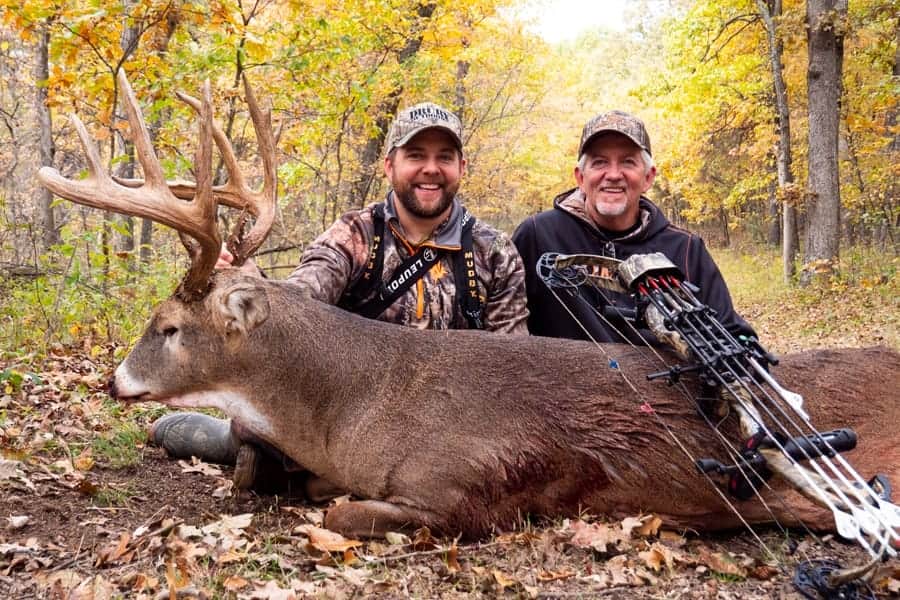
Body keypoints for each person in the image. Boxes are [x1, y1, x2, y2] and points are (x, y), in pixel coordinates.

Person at [150, 102, 530, 487]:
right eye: (416, 155)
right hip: (352, 413)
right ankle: (237, 442)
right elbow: (303, 296)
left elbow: (514, 361)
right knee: (269, 404)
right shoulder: (354, 234)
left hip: (446, 425)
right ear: (389, 165)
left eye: (444, 157)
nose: (430, 169)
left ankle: (301, 473)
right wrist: (250, 283)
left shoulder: (493, 250)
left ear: (461, 169)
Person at [512, 110, 755, 345]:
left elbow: (730, 332)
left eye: (628, 162)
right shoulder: (537, 235)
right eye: (599, 162)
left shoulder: (685, 248)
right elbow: (505, 330)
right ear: (580, 177)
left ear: (648, 177)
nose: (614, 174)